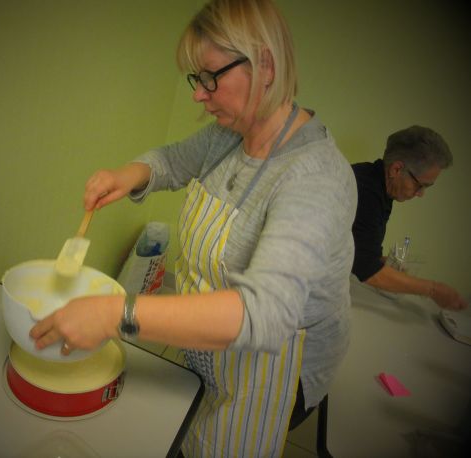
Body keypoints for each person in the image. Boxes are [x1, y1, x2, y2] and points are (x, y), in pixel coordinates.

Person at [31, 0, 357, 456]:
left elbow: (263, 315)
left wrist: (113, 314)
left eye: (210, 78)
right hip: (212, 348)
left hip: (270, 367)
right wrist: (126, 176)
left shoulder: (316, 178)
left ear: (264, 65)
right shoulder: (230, 135)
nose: (198, 95)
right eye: (196, 79)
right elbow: (171, 161)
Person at [351, 125, 468, 310]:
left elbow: (359, 250)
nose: (421, 194)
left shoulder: (379, 186)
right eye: (420, 185)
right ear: (396, 169)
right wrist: (433, 290)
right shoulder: (367, 191)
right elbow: (366, 269)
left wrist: (386, 264)